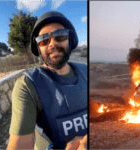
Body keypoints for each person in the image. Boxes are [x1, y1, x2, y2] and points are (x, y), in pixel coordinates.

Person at [7, 11, 87, 150]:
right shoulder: (27, 85)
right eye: (44, 40)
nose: (52, 44)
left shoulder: (85, 71)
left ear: (70, 39)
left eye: (60, 36)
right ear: (39, 48)